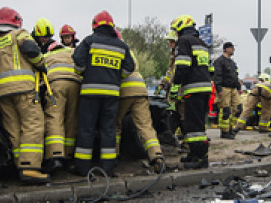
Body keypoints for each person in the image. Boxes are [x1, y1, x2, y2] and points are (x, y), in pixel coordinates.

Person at [0, 7, 48, 183]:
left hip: (0, 93)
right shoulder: (18, 34)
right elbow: (31, 50)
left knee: (13, 128)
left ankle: (19, 165)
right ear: (16, 22)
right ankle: (30, 167)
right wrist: (41, 65)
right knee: (33, 124)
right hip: (23, 88)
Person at [71, 10, 135, 176]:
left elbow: (77, 63)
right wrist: (115, 76)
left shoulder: (89, 41)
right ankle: (108, 167)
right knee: (108, 130)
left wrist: (86, 72)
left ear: (95, 25)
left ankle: (83, 168)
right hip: (112, 94)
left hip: (90, 93)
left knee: (87, 129)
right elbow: (129, 68)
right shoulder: (121, 46)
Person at [32, 18, 81, 171]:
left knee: (55, 118)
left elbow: (39, 75)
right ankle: (68, 154)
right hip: (75, 85)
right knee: (71, 119)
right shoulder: (72, 52)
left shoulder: (47, 56)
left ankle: (55, 155)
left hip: (56, 85)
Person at [115, 34, 164, 170]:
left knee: (115, 124)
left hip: (124, 91)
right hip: (140, 89)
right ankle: (156, 156)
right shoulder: (128, 50)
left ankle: (114, 157)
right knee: (145, 126)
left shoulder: (113, 49)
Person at [171, 15, 212, 168]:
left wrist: (175, 87)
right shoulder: (202, 43)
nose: (176, 34)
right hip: (205, 88)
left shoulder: (183, 41)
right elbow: (210, 68)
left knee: (194, 126)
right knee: (198, 123)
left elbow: (182, 66)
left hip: (193, 88)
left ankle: (201, 159)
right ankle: (194, 154)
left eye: (176, 30)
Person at [212, 41, 241, 139]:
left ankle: (230, 128)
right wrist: (219, 88)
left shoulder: (232, 62)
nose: (234, 50)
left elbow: (235, 75)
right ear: (227, 49)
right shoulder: (220, 61)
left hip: (233, 89)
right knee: (225, 110)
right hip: (224, 88)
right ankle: (225, 132)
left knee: (237, 109)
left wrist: (238, 87)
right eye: (232, 48)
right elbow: (217, 76)